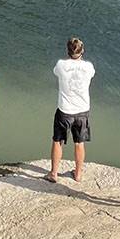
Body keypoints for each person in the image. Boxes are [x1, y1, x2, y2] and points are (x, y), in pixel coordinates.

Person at [46, 37, 96, 183]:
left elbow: (56, 72)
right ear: (83, 51)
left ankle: (54, 173)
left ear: (67, 51)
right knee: (79, 143)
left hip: (64, 110)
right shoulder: (88, 67)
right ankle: (78, 174)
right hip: (82, 110)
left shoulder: (61, 65)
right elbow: (91, 74)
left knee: (57, 141)